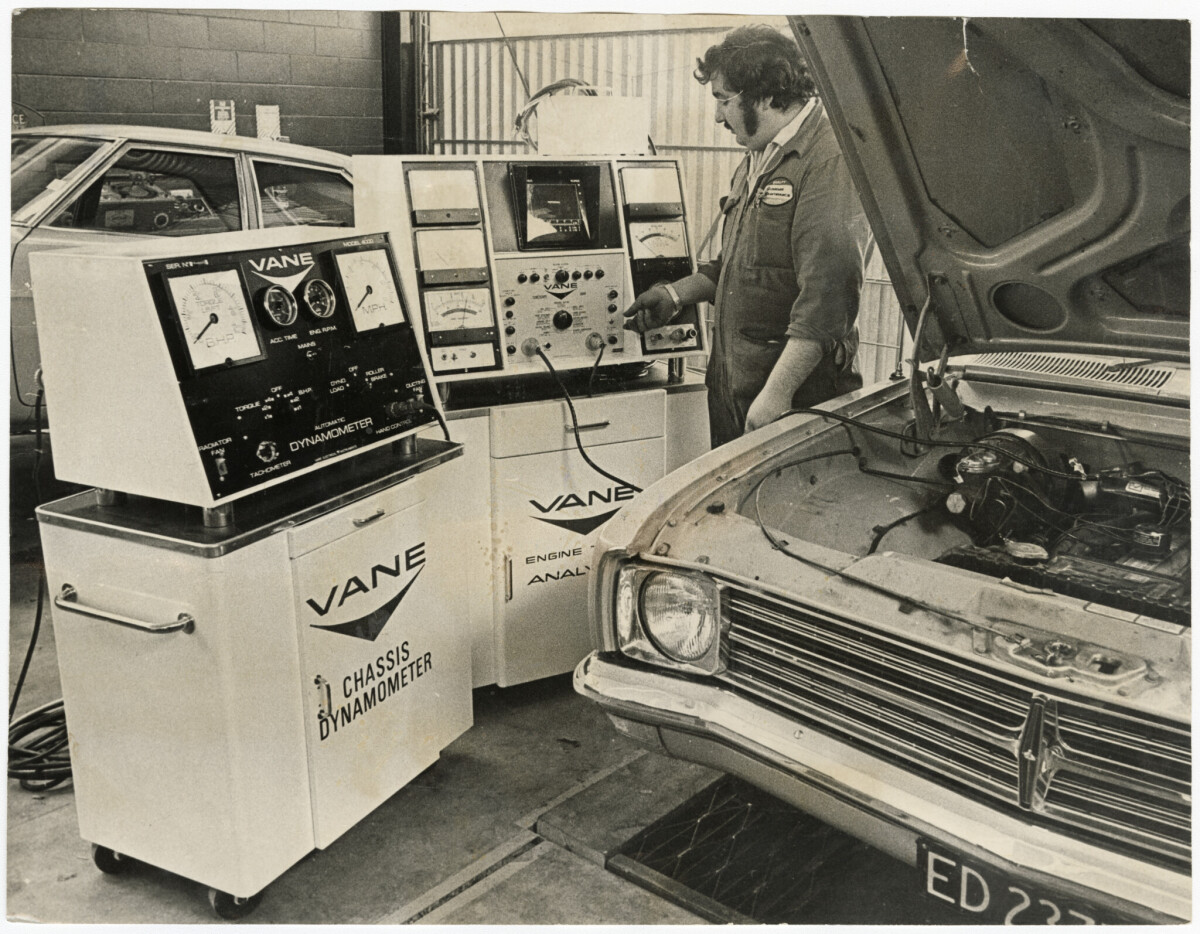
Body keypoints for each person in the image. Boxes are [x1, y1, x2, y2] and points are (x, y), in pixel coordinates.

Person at [624, 25, 871, 447]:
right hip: (735, 388)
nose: (718, 117)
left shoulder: (829, 159)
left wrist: (777, 393)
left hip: (791, 399)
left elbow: (829, 296)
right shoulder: (758, 156)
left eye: (724, 100)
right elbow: (738, 265)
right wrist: (675, 295)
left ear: (766, 94)